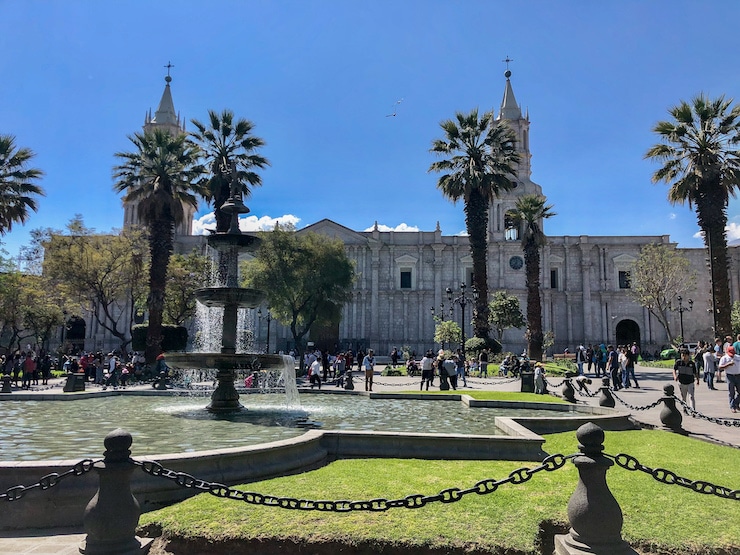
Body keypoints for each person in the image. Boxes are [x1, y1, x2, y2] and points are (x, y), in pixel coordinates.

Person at [718, 346, 740, 413]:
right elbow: (720, 367)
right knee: (731, 392)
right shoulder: (724, 358)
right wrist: (728, 364)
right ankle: (732, 406)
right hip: (730, 376)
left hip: (738, 375)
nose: (732, 355)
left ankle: (736, 403)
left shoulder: (738, 357)